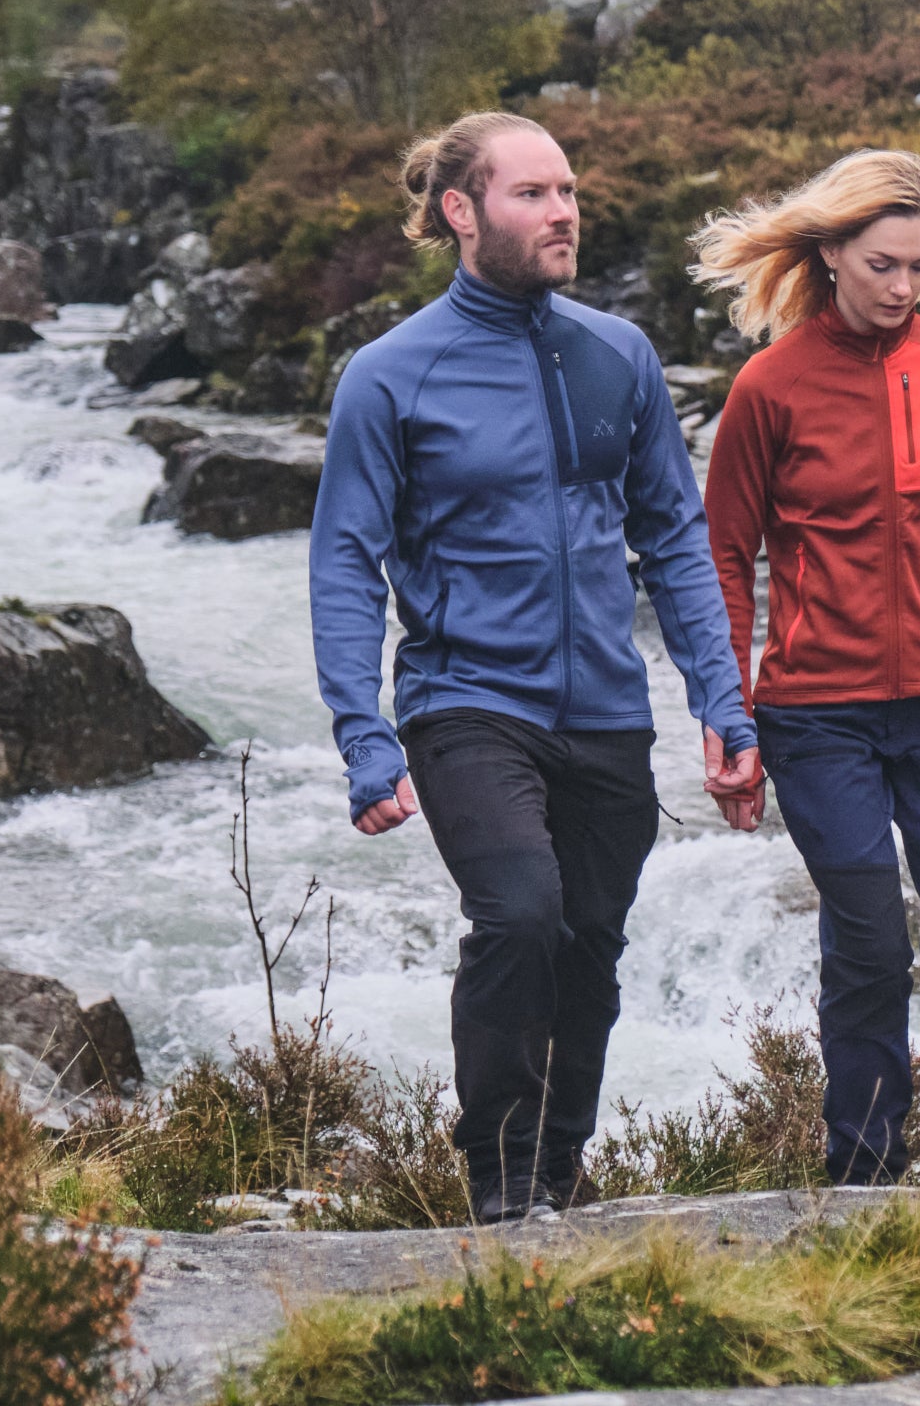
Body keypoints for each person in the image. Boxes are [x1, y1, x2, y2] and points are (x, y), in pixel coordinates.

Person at [310, 110, 752, 1223]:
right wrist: (363, 736)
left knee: (591, 946)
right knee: (519, 913)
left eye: (568, 191)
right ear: (461, 211)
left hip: (605, 707)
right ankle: (500, 1179)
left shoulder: (619, 354)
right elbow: (346, 562)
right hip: (467, 701)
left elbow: (677, 539)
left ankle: (560, 1168)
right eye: (532, 194)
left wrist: (721, 700)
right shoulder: (389, 375)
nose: (562, 212)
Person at [695, 148, 920, 1186]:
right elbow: (722, 553)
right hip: (819, 714)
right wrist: (731, 719)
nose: (902, 287)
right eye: (883, 263)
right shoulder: (768, 387)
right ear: (832, 252)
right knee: (864, 948)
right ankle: (864, 1171)